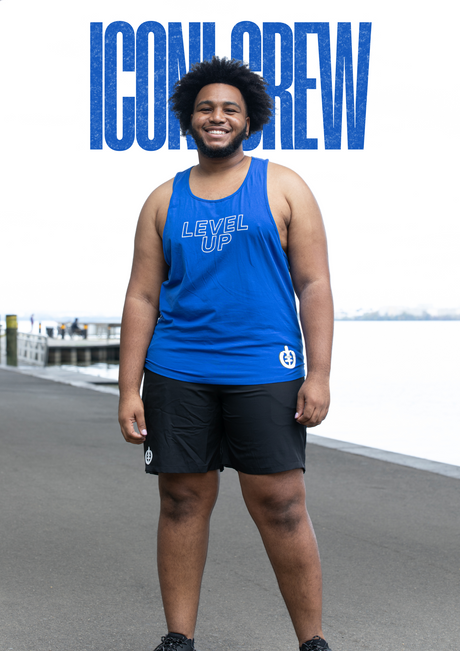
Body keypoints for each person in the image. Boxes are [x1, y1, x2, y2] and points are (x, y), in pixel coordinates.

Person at [118, 57, 334, 651]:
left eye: (230, 108)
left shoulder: (284, 186)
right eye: (207, 107)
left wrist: (319, 375)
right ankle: (178, 638)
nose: (218, 116)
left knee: (282, 504)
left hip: (267, 370)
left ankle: (312, 642)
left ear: (249, 120)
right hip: (177, 370)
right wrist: (126, 388)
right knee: (183, 500)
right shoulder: (163, 200)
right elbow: (141, 295)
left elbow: (313, 284)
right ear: (189, 119)